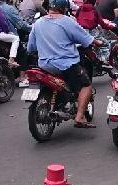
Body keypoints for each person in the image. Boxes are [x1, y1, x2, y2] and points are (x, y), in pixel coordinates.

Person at [27, 0, 102, 128]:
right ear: (64, 7)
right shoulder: (66, 21)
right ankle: (79, 117)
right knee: (86, 86)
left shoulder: (38, 23)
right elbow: (85, 38)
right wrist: (97, 42)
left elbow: (30, 48)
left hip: (44, 65)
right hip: (65, 64)